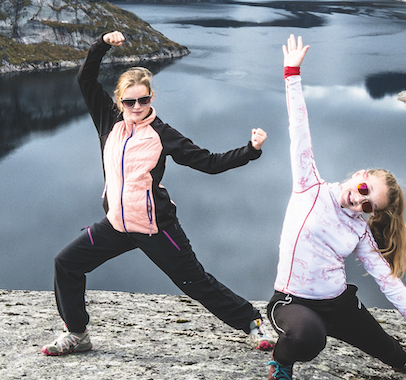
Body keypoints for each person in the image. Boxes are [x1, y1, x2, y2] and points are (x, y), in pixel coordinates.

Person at [42, 29, 277, 356]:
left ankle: (252, 321)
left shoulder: (162, 133)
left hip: (156, 227)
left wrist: (250, 150)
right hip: (117, 225)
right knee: (66, 263)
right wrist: (102, 44)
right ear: (119, 101)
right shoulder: (109, 121)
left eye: (144, 99)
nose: (137, 106)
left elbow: (208, 163)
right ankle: (77, 333)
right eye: (129, 101)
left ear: (151, 98)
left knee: (195, 282)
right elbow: (86, 78)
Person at [263, 33, 406, 380]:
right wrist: (292, 74)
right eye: (363, 190)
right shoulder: (309, 186)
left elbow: (389, 282)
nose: (359, 202)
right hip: (292, 302)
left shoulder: (358, 230)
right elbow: (299, 129)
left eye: (368, 206)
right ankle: (281, 363)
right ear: (360, 175)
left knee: (390, 353)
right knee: (308, 338)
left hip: (338, 304)